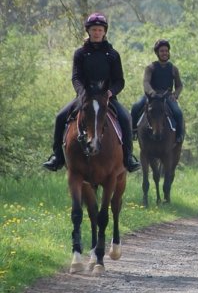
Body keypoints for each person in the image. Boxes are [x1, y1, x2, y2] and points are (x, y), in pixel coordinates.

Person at [43, 13, 140, 173]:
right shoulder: (80, 53)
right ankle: (57, 157)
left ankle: (128, 157)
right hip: (84, 98)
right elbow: (76, 77)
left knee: (126, 118)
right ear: (88, 31)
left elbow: (119, 81)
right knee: (60, 117)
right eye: (94, 29)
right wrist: (82, 93)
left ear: (104, 32)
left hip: (107, 98)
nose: (97, 33)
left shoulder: (113, 55)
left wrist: (110, 93)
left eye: (100, 30)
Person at [131, 39, 184, 144]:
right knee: (135, 107)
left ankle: (179, 135)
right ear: (157, 53)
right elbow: (146, 82)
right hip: (152, 96)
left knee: (178, 112)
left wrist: (175, 95)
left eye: (166, 51)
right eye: (162, 51)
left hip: (166, 96)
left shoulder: (173, 69)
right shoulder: (150, 68)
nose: (164, 53)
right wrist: (151, 93)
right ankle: (133, 131)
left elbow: (179, 85)